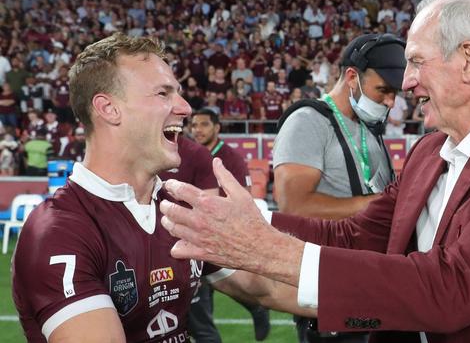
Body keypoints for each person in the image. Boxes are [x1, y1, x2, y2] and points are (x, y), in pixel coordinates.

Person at [160, 0, 470, 342]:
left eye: (416, 62)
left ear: (467, 60)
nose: (406, 82)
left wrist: (271, 252)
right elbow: (357, 235)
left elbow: (454, 289)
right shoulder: (431, 151)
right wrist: (253, 220)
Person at [12, 33, 308, 343]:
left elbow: (270, 288)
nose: (185, 108)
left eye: (178, 93)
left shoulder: (177, 210)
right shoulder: (59, 232)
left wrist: (262, 243)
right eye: (163, 93)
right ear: (108, 108)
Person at [273, 33, 405, 342]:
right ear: (351, 77)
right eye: (383, 90)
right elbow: (294, 208)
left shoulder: (368, 129)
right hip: (333, 295)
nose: (390, 102)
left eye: (395, 93)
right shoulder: (307, 121)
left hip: (373, 286)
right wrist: (382, 204)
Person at [187, 108, 271, 342]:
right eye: (194, 125)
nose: (198, 130)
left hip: (219, 231)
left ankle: (255, 307)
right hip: (194, 230)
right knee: (203, 289)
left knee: (205, 287)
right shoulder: (189, 154)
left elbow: (243, 197)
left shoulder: (230, 157)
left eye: (203, 125)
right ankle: (253, 308)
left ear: (217, 127)